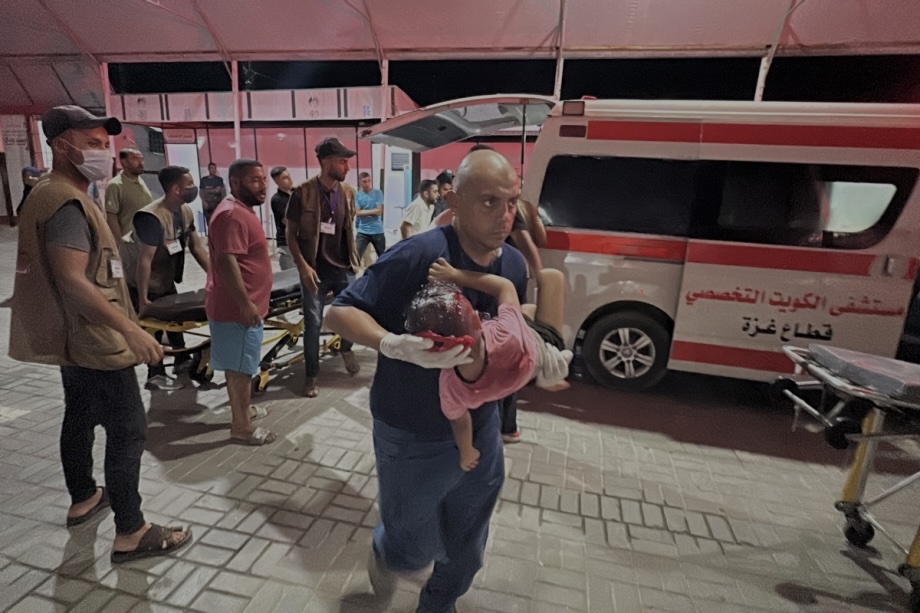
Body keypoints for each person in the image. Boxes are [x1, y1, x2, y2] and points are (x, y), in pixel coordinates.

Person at [324, 150, 570, 612]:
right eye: (489, 202)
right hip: (410, 432)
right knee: (413, 548)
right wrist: (390, 343)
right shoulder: (419, 255)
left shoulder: (513, 265)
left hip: (480, 427)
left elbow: (514, 317)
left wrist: (543, 349)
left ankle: (437, 605)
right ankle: (388, 552)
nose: (504, 216)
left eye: (511, 202)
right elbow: (338, 313)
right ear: (454, 201)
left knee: (467, 548)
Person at [9, 105, 191, 562]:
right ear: (60, 146)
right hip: (94, 338)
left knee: (80, 413)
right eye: (91, 143)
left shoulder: (52, 192)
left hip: (74, 337)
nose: (103, 152)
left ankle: (85, 496)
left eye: (105, 143)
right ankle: (131, 530)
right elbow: (72, 280)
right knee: (128, 430)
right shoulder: (66, 202)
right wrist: (130, 330)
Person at [425, 258, 571, 470]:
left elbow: (459, 420)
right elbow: (504, 286)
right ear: (478, 320)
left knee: (528, 309)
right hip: (541, 346)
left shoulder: (452, 386)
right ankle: (549, 376)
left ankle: (542, 377)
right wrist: (455, 275)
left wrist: (467, 451)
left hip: (521, 371)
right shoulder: (505, 335)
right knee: (551, 277)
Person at [206, 159, 277, 445]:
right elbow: (226, 261)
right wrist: (245, 304)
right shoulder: (232, 214)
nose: (263, 186)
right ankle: (242, 427)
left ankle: (244, 411)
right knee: (240, 370)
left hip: (243, 307)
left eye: (263, 179)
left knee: (241, 365)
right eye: (255, 180)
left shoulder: (241, 210)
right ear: (235, 182)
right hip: (237, 310)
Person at [286, 137, 361, 399]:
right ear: (326, 162)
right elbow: (290, 234)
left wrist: (355, 264)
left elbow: (348, 230)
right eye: (342, 161)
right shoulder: (302, 192)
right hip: (314, 271)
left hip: (343, 269)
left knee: (353, 315)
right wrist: (303, 267)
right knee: (314, 323)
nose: (347, 167)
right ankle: (311, 375)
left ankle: (346, 348)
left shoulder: (348, 192)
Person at [125, 165, 210, 391]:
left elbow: (197, 248)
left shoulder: (184, 211)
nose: (194, 188)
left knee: (175, 321)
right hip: (144, 281)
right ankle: (155, 374)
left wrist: (215, 278)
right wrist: (143, 299)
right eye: (189, 184)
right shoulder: (151, 217)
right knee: (153, 326)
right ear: (176, 189)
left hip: (164, 277)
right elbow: (145, 260)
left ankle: (182, 361)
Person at [105, 147, 151, 242]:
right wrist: (119, 242)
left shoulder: (141, 181)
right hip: (129, 243)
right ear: (124, 162)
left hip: (145, 241)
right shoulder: (115, 185)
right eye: (135, 159)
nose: (140, 163)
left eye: (141, 159)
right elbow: (111, 216)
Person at [355, 171, 386, 261]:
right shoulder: (357, 195)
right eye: (364, 181)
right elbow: (357, 213)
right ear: (360, 182)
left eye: (369, 181)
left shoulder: (377, 193)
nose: (367, 184)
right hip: (363, 230)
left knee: (383, 258)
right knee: (356, 258)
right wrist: (373, 211)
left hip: (377, 230)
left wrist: (363, 212)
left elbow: (379, 211)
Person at [269, 166, 295, 270]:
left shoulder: (296, 193)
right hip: (287, 243)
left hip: (300, 242)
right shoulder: (277, 199)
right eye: (285, 178)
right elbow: (288, 220)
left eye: (289, 176)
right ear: (277, 181)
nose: (290, 180)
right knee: (290, 275)